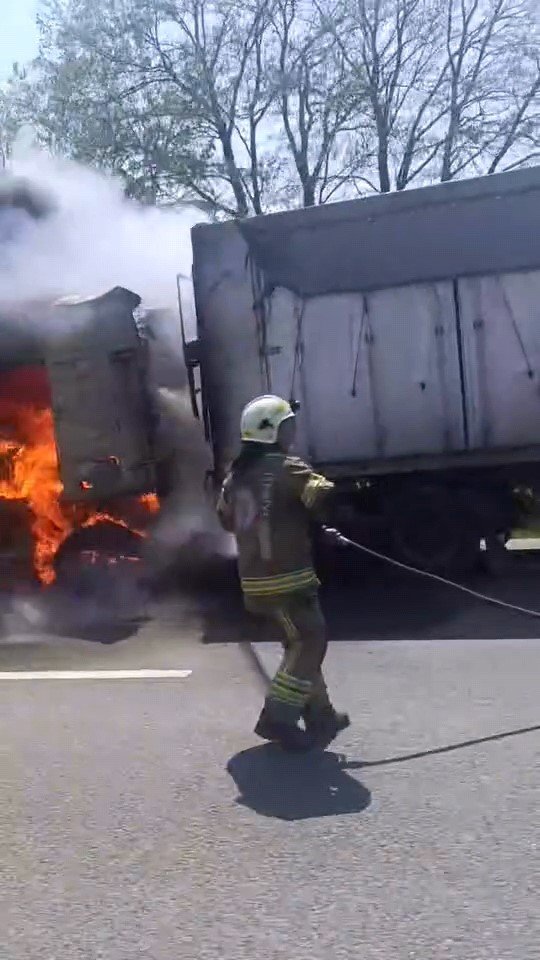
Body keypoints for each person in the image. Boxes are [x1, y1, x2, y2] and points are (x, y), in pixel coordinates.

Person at [217, 394, 350, 752]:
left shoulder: (234, 477)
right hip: (287, 580)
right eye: (287, 425)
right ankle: (277, 717)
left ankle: (322, 715)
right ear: (272, 431)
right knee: (310, 641)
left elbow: (226, 520)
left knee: (299, 645)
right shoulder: (287, 467)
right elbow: (321, 497)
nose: (292, 432)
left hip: (255, 582)